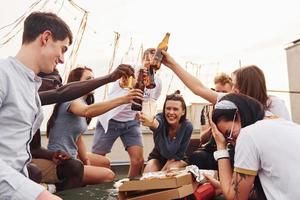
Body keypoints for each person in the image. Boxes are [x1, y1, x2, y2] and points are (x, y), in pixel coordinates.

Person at [0, 11, 72, 200]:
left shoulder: (31, 89)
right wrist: (37, 195)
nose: (62, 59)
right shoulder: (2, 74)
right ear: (46, 37)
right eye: (63, 48)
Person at [30, 64, 136, 191]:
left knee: (105, 162)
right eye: (88, 80)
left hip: (73, 153)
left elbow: (78, 137)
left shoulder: (82, 101)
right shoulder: (71, 101)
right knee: (109, 175)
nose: (92, 82)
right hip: (62, 155)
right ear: (77, 84)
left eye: (93, 78)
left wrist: (85, 159)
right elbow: (88, 111)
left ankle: (84, 183)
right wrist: (124, 99)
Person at [203, 93, 300, 200]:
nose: (233, 142)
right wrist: (224, 187)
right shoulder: (288, 125)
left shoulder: (248, 134)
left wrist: (221, 145)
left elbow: (234, 198)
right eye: (227, 140)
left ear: (238, 115)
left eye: (229, 134)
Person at [92, 48, 162, 177]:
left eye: (156, 60)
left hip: (131, 122)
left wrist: (144, 115)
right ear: (142, 59)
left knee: (138, 161)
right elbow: (123, 83)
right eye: (148, 59)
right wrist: (138, 79)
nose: (151, 63)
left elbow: (151, 101)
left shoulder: (157, 82)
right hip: (111, 119)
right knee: (97, 159)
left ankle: (129, 190)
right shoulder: (131, 70)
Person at [160, 51, 290, 120]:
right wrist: (172, 64)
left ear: (244, 87)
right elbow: (198, 89)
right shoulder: (235, 101)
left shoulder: (275, 103)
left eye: (234, 85)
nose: (232, 89)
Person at [138, 90, 193, 172]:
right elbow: (156, 124)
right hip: (157, 157)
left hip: (177, 159)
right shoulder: (160, 119)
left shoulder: (187, 126)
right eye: (168, 108)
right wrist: (151, 122)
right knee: (148, 173)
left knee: (171, 169)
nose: (171, 112)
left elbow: (178, 155)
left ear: (183, 111)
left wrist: (162, 171)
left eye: (175, 109)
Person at [189, 73, 234, 169]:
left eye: (224, 92)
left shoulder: (236, 109)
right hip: (211, 149)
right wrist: (212, 126)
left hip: (230, 149)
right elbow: (203, 139)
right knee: (197, 156)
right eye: (217, 92)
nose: (220, 96)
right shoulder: (206, 109)